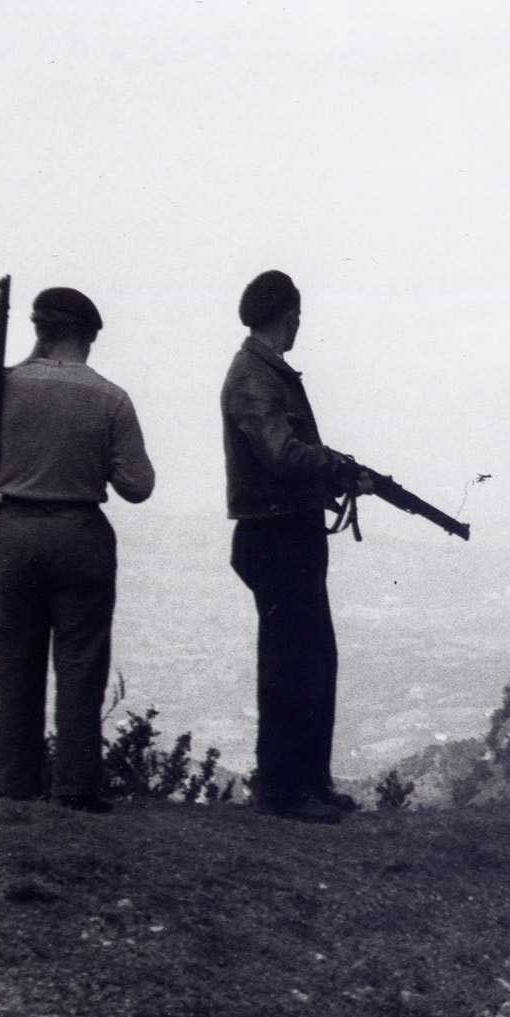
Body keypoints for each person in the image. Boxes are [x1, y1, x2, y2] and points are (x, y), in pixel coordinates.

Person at [0, 287, 155, 812]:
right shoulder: (110, 397)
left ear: (39, 332)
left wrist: (21, 365)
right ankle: (75, 787)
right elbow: (138, 485)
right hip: (80, 534)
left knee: (15, 661)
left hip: (14, 534)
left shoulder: (5, 388)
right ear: (89, 336)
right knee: (81, 663)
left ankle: (17, 785)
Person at [221, 270, 362, 824]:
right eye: (298, 316)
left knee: (314, 656)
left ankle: (310, 781)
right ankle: (283, 789)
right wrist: (339, 467)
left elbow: (286, 454)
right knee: (288, 660)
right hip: (273, 533)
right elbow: (282, 454)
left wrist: (335, 472)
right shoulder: (255, 377)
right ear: (290, 315)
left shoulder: (266, 373)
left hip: (288, 530)